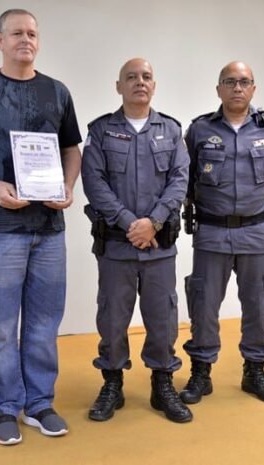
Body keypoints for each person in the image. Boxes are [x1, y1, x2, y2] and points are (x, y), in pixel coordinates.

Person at [0, 9, 82, 445]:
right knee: (1, 326)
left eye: (32, 33)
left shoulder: (57, 92)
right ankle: (5, 406)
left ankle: (40, 403)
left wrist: (66, 188)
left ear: (38, 41)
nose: (25, 39)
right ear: (1, 40)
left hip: (49, 227)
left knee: (45, 323)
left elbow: (72, 149)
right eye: (16, 33)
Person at [82, 58, 191, 423]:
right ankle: (112, 384)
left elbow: (180, 180)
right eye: (131, 77)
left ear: (154, 85)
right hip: (116, 246)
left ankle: (163, 385)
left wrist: (154, 222)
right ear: (119, 86)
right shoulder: (100, 132)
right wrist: (132, 224)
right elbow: (95, 184)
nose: (139, 82)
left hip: (160, 247)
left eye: (146, 77)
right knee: (112, 318)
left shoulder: (171, 131)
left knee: (162, 318)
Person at [180, 61, 264, 405]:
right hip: (211, 230)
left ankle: (255, 370)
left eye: (244, 82)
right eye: (230, 82)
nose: (237, 87)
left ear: (253, 88)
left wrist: (260, 207)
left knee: (258, 303)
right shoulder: (199, 130)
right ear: (219, 90)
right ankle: (201, 372)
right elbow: (185, 178)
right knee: (204, 303)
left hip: (256, 230)